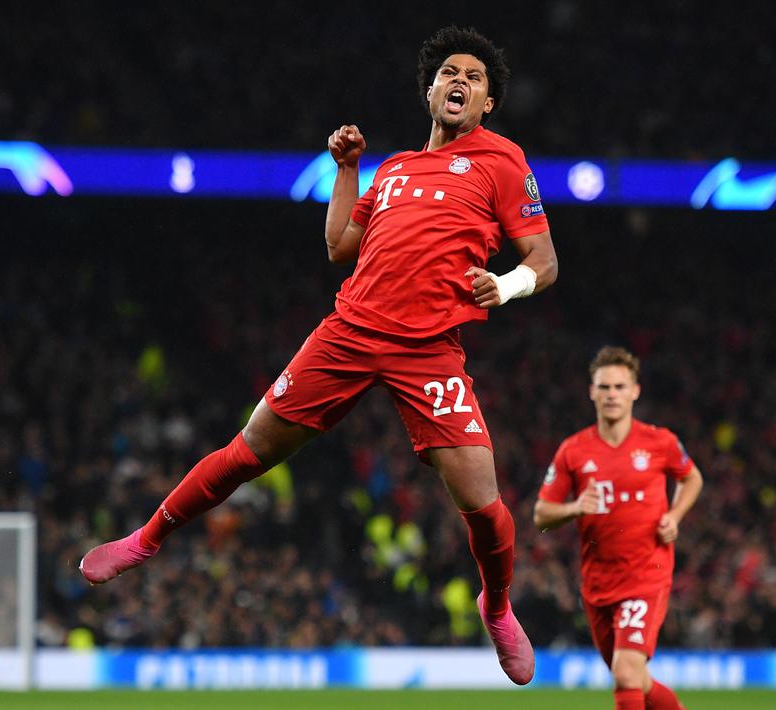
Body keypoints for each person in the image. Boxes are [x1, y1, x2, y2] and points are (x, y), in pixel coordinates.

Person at [79, 26, 557, 685]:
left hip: (427, 351)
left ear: (488, 102)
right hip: (349, 332)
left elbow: (545, 261)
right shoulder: (391, 170)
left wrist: (502, 286)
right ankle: (146, 539)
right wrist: (346, 168)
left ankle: (497, 606)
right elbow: (339, 246)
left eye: (474, 77)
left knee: (481, 502)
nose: (459, 81)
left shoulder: (502, 161)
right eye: (449, 71)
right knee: (248, 453)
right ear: (428, 89)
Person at [535, 347, 702, 709]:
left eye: (620, 387)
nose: (612, 394)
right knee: (635, 679)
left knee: (626, 672)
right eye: (605, 387)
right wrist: (575, 507)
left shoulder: (660, 442)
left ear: (635, 391)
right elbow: (541, 514)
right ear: (591, 392)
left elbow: (692, 479)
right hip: (598, 582)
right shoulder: (573, 451)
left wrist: (674, 515)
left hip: (646, 574)